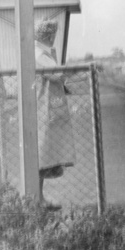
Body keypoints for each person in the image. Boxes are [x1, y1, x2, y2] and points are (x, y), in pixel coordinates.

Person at [34, 20, 75, 209]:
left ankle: (39, 198)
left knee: (43, 154)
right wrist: (74, 71)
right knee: (41, 154)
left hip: (44, 108)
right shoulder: (40, 55)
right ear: (49, 36)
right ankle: (37, 200)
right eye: (54, 35)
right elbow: (57, 75)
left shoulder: (42, 53)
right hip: (42, 109)